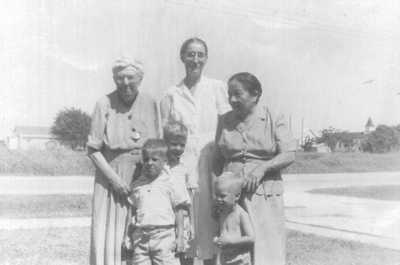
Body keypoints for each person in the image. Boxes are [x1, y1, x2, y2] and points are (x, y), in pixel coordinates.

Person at [160, 37, 231, 264]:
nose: (195, 59)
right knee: (185, 223)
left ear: (207, 58)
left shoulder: (217, 87)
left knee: (210, 226)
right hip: (182, 165)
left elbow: (226, 123)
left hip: (212, 163)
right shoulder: (172, 93)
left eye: (200, 54)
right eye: (190, 54)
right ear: (182, 57)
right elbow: (165, 133)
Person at [214, 72, 296, 265]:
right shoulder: (224, 120)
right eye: (229, 94)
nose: (232, 99)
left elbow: (289, 153)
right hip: (230, 197)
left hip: (264, 193)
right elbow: (217, 160)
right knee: (234, 250)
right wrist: (215, 192)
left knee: (268, 247)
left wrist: (263, 168)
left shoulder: (272, 117)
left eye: (238, 94)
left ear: (255, 94)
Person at [87, 58, 159, 265]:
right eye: (120, 78)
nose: (126, 82)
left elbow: (157, 146)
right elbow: (93, 150)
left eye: (131, 77)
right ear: (114, 79)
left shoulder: (150, 103)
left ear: (140, 78)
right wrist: (115, 180)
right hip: (111, 181)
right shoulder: (104, 104)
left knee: (141, 238)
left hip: (143, 179)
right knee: (110, 239)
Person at [127, 139, 190, 265]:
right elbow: (132, 211)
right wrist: (127, 236)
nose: (149, 163)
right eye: (146, 159)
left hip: (164, 236)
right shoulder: (137, 185)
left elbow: (179, 211)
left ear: (164, 161)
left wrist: (180, 237)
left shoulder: (171, 183)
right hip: (141, 237)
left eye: (154, 159)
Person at [163, 121, 196, 265]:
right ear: (165, 143)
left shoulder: (185, 167)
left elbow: (190, 198)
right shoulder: (161, 166)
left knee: (186, 255)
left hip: (184, 218)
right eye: (174, 144)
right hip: (166, 218)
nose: (178, 148)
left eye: (182, 145)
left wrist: (193, 225)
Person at [213, 172, 254, 265]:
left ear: (237, 196)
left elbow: (251, 238)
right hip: (225, 258)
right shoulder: (221, 212)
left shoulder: (241, 214)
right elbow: (219, 230)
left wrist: (231, 242)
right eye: (216, 195)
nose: (218, 199)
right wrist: (216, 238)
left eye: (222, 196)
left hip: (240, 259)